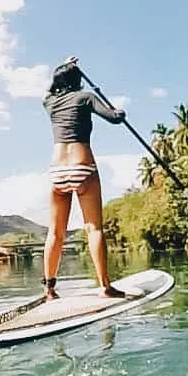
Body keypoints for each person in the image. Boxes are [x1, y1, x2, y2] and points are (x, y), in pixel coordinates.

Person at [41, 56, 127, 300]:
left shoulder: (50, 102)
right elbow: (114, 118)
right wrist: (120, 112)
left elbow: (49, 89)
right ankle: (106, 287)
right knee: (94, 228)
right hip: (82, 166)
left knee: (55, 232)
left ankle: (49, 289)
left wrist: (64, 65)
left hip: (57, 171)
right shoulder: (86, 97)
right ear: (78, 80)